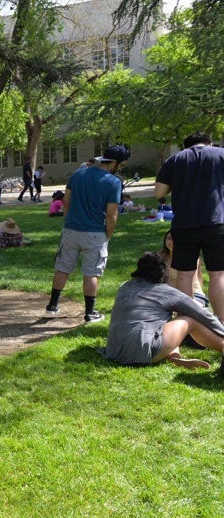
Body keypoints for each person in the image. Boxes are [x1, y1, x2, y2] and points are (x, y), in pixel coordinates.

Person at [102, 252, 224, 372]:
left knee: (162, 321)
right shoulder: (168, 292)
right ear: (164, 272)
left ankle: (174, 357)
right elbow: (202, 314)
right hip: (142, 352)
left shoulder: (124, 287)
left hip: (114, 351)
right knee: (189, 320)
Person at [45, 145, 127, 322]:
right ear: (113, 163)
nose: (121, 168)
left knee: (63, 268)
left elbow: (66, 201)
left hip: (71, 230)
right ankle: (90, 313)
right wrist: (108, 235)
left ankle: (52, 305)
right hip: (95, 233)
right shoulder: (113, 182)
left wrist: (68, 223)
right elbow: (112, 215)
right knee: (91, 273)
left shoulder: (78, 174)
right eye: (121, 164)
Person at [154, 132, 224, 322]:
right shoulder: (221, 154)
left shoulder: (175, 159)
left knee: (185, 274)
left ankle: (186, 321)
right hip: (217, 222)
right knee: (218, 274)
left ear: (185, 146)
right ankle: (221, 322)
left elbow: (159, 192)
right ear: (210, 143)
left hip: (184, 224)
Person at [159, 230, 209, 308]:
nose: (172, 242)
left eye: (176, 239)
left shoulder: (191, 258)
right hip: (167, 295)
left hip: (192, 294)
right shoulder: (159, 258)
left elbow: (191, 282)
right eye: (169, 238)